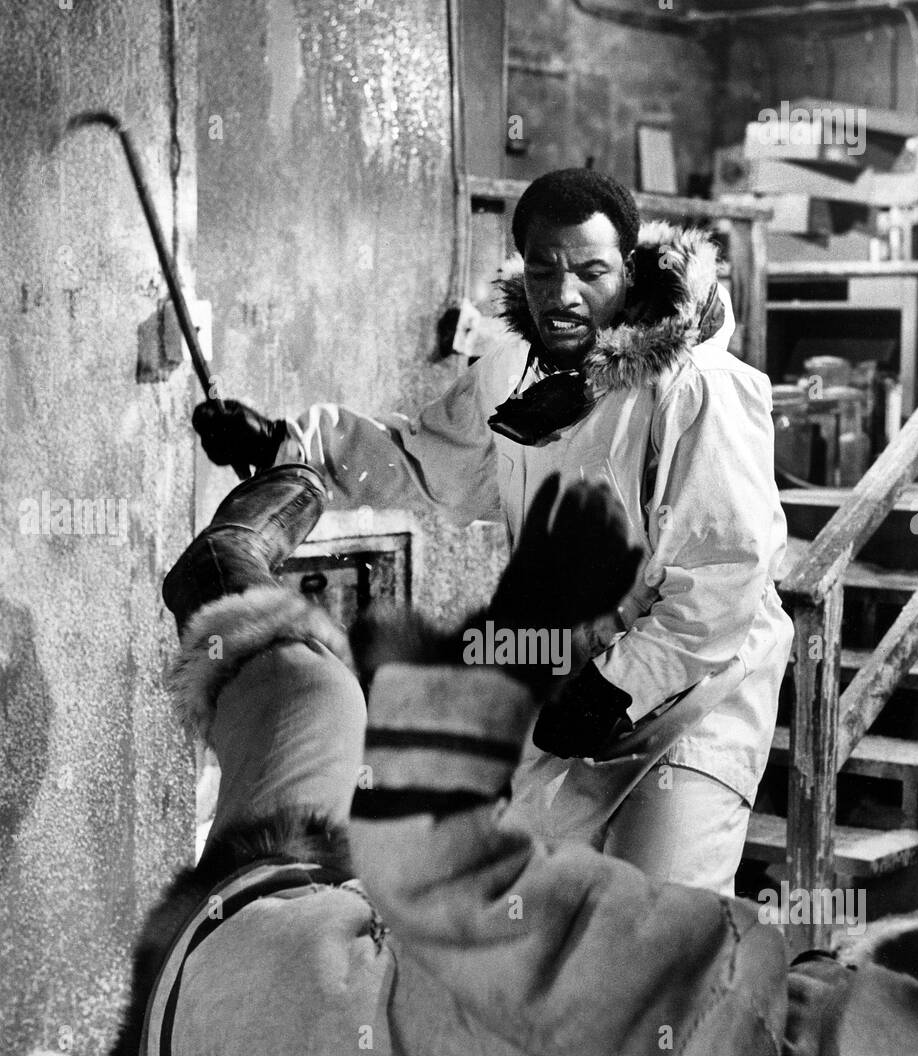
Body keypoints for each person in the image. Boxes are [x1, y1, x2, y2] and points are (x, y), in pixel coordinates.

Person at [102, 457, 918, 1056]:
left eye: (836, 966)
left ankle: (226, 570)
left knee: (317, 694)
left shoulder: (699, 1004)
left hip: (241, 982)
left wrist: (525, 622)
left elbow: (433, 861)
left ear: (851, 991)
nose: (821, 961)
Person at [191, 168, 793, 895]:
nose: (563, 296)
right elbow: (423, 459)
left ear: (628, 270)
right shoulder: (513, 369)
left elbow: (725, 576)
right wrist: (287, 443)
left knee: (656, 924)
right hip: (575, 680)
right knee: (531, 911)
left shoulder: (696, 387)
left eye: (591, 272)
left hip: (695, 692)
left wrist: (618, 687)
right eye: (544, 271)